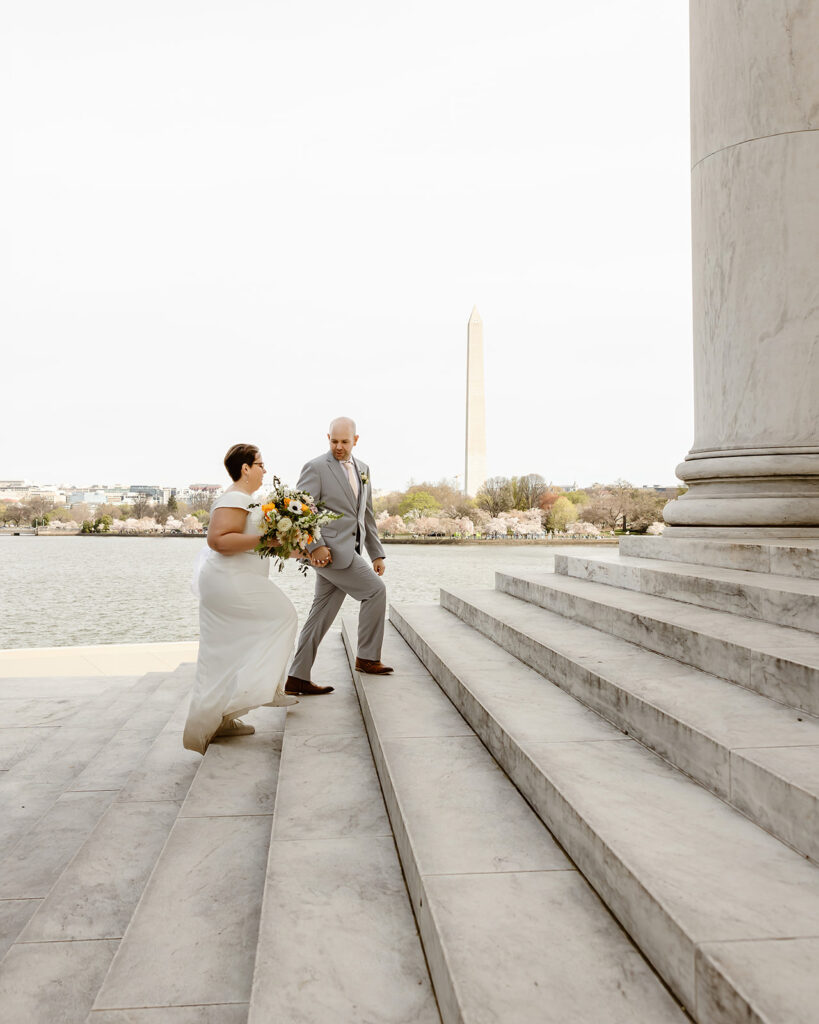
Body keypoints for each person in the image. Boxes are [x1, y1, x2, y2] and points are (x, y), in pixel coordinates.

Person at [183, 443, 300, 754]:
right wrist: (269, 539)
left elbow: (258, 543)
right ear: (245, 468)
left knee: (227, 653)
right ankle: (266, 687)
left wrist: (300, 550)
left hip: (234, 580)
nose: (265, 470)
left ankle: (222, 718)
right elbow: (218, 540)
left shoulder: (246, 501)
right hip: (231, 581)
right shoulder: (235, 497)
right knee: (283, 616)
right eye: (260, 464)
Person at [285, 417, 392, 695]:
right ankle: (367, 658)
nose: (339, 447)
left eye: (345, 442)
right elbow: (300, 511)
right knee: (375, 592)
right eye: (334, 441)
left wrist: (376, 554)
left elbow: (365, 516)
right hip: (329, 553)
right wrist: (314, 546)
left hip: (349, 552)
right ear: (328, 437)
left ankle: (297, 677)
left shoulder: (364, 469)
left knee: (320, 614)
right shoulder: (316, 467)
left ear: (356, 440)